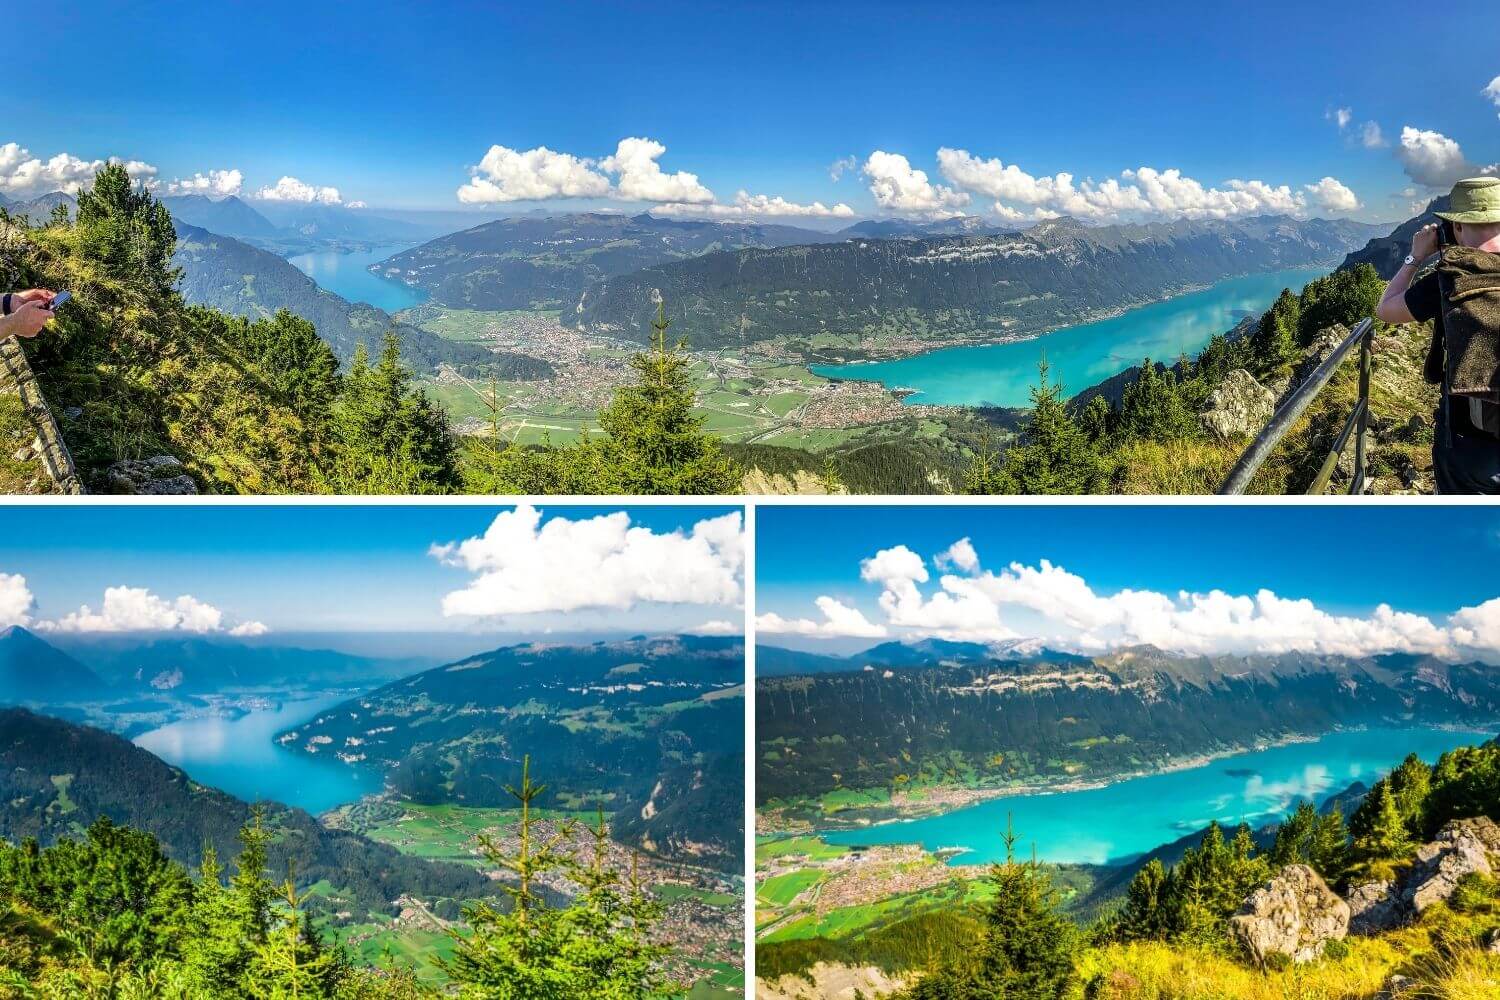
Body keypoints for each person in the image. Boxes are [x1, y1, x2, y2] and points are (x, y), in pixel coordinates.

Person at [1375, 176, 1500, 494]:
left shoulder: (1451, 278)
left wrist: (1415, 256)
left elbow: (1386, 309)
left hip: (1472, 449)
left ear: (1457, 227)